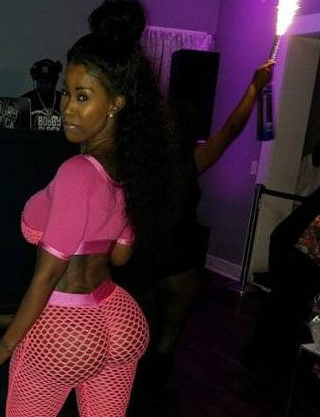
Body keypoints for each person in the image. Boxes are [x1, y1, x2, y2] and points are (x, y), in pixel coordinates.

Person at [0, 0, 191, 417]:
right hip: (118, 317)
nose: (66, 106)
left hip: (64, 326)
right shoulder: (129, 170)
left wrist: (3, 346)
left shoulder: (75, 172)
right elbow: (121, 253)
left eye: (82, 96)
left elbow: (47, 274)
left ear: (116, 104)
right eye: (67, 92)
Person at [117, 60, 275, 393]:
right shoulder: (190, 160)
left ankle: (136, 394)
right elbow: (231, 129)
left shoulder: (135, 164)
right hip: (180, 257)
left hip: (145, 256)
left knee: (139, 335)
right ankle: (154, 393)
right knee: (166, 340)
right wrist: (254, 87)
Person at [247, 153, 320, 388]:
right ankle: (274, 368)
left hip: (310, 253)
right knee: (287, 306)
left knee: (285, 305)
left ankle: (261, 356)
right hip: (294, 245)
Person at [22, 58, 63, 131]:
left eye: (48, 81)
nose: (44, 84)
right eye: (41, 80)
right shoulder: (25, 101)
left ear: (55, 81)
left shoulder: (64, 100)